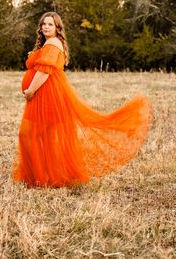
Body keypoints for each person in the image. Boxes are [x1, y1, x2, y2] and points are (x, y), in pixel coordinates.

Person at [12, 12, 153, 187]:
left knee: (31, 134)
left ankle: (44, 177)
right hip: (45, 93)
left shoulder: (53, 44)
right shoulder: (50, 44)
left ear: (58, 28)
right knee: (41, 135)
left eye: (50, 24)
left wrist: (30, 91)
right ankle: (43, 176)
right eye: (44, 24)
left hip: (46, 93)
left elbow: (44, 72)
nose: (46, 27)